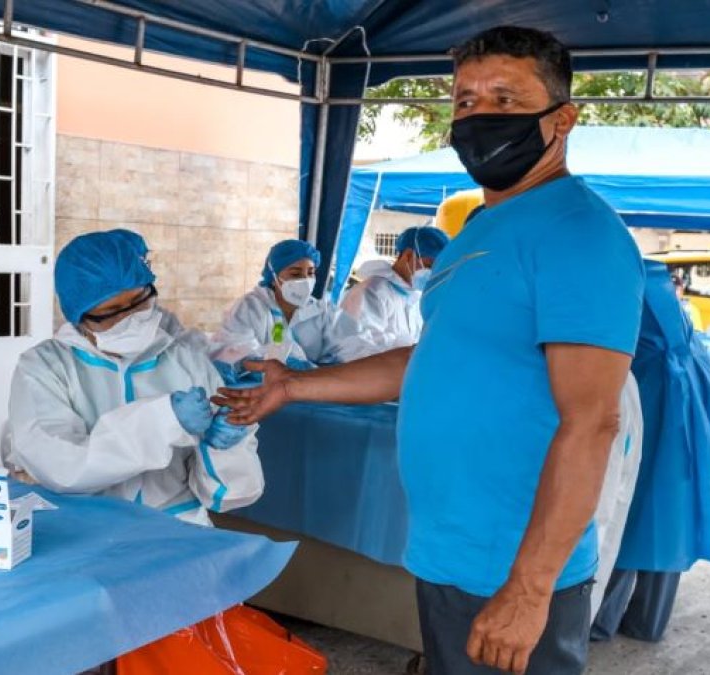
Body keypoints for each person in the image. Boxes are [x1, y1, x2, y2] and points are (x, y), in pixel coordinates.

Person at [215, 25, 645, 675]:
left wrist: (528, 591)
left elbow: (592, 421)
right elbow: (428, 360)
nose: (478, 115)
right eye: (465, 100)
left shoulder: (579, 233)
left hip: (513, 568)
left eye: (505, 98)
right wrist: (295, 385)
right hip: (449, 551)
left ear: (562, 120)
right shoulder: (480, 230)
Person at [4, 231, 263, 526]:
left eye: (140, 302)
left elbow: (229, 497)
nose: (129, 319)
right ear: (78, 316)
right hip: (85, 531)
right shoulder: (44, 367)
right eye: (111, 312)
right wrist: (164, 420)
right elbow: (63, 467)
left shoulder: (187, 360)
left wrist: (222, 449)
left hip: (178, 527)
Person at [591, 260, 710, 643]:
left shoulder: (640, 349)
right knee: (668, 523)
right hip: (682, 447)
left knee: (623, 518)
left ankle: (599, 620)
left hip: (649, 433)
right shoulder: (685, 340)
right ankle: (647, 620)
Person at [210, 239, 339, 378]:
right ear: (273, 277)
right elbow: (236, 351)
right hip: (259, 388)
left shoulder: (322, 310)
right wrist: (282, 361)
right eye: (295, 274)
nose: (306, 281)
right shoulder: (251, 307)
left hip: (312, 388)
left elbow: (352, 347)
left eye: (311, 273)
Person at [331, 225, 450, 362]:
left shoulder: (413, 296)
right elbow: (357, 349)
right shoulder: (373, 291)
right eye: (429, 265)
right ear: (408, 255)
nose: (433, 273)